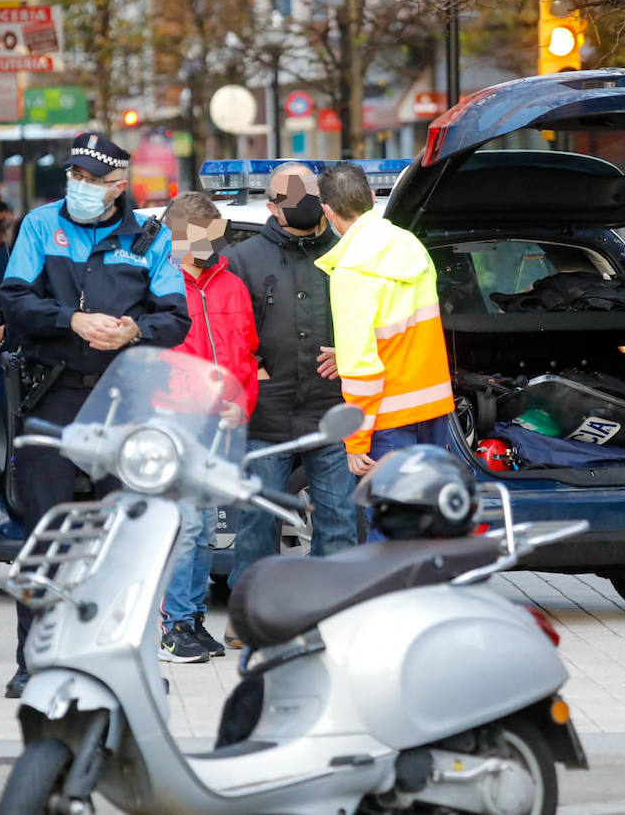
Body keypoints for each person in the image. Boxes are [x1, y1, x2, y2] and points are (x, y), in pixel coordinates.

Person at [0, 131, 190, 697]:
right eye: (74, 177)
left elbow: (175, 317)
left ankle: (117, 657)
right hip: (54, 395)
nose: (79, 187)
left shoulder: (149, 237)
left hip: (121, 398)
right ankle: (34, 659)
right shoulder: (39, 225)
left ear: (118, 186)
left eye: (91, 180)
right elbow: (15, 301)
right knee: (44, 534)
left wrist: (136, 329)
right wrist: (71, 321)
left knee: (125, 533)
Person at [221, 162, 360, 648]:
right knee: (257, 521)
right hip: (267, 413)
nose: (302, 200)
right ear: (271, 206)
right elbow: (230, 326)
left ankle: (329, 615)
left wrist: (352, 355)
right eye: (291, 194)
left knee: (339, 518)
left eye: (310, 191)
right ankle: (248, 617)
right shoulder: (242, 259)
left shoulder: (347, 253)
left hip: (332, 411)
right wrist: (247, 367)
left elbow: (367, 319)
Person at [160, 191, 258, 663]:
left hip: (222, 424)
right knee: (186, 525)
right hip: (176, 421)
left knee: (204, 531)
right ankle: (173, 625)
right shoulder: (158, 285)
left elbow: (246, 356)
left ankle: (192, 617)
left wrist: (242, 402)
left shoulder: (231, 287)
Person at [316, 162, 455, 482]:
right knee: (428, 517)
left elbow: (362, 367)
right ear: (371, 197)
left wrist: (356, 440)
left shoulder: (351, 271)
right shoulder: (411, 247)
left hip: (388, 420)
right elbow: (404, 331)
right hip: (432, 410)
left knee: (392, 521)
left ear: (327, 210)